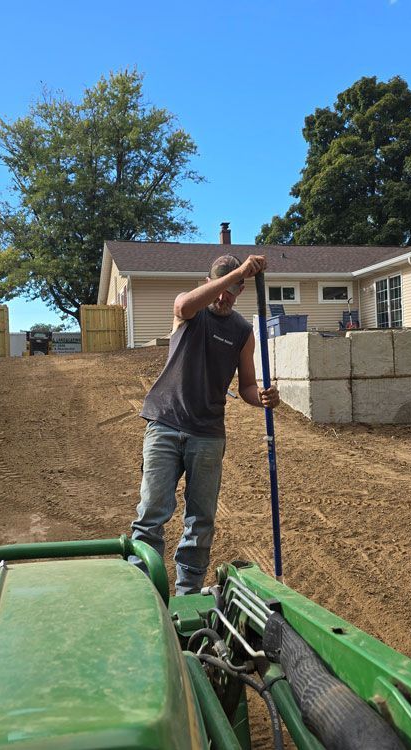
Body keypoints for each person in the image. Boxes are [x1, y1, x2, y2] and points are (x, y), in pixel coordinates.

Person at [130, 253, 280, 595]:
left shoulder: (242, 331)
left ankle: (188, 594)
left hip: (208, 435)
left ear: (241, 291)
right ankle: (141, 591)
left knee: (200, 520)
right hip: (165, 423)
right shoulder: (190, 312)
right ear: (208, 283)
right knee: (152, 512)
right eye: (219, 287)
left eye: (233, 289)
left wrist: (263, 398)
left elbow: (246, 387)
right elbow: (183, 305)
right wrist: (238, 273)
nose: (224, 297)